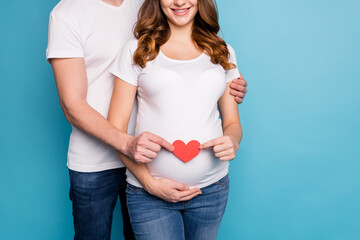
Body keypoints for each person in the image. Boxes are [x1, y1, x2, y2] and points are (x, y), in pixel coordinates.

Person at [46, 0, 247, 239]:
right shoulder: (68, 14)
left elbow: (221, 110)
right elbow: (73, 105)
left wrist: (227, 87)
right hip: (100, 161)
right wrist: (135, 159)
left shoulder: (147, 5)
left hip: (165, 165)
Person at [107, 0, 242, 239]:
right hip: (149, 195)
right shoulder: (137, 50)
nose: (180, 2)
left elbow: (232, 123)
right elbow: (115, 131)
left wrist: (232, 140)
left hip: (212, 190)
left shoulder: (223, 51)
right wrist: (150, 183)